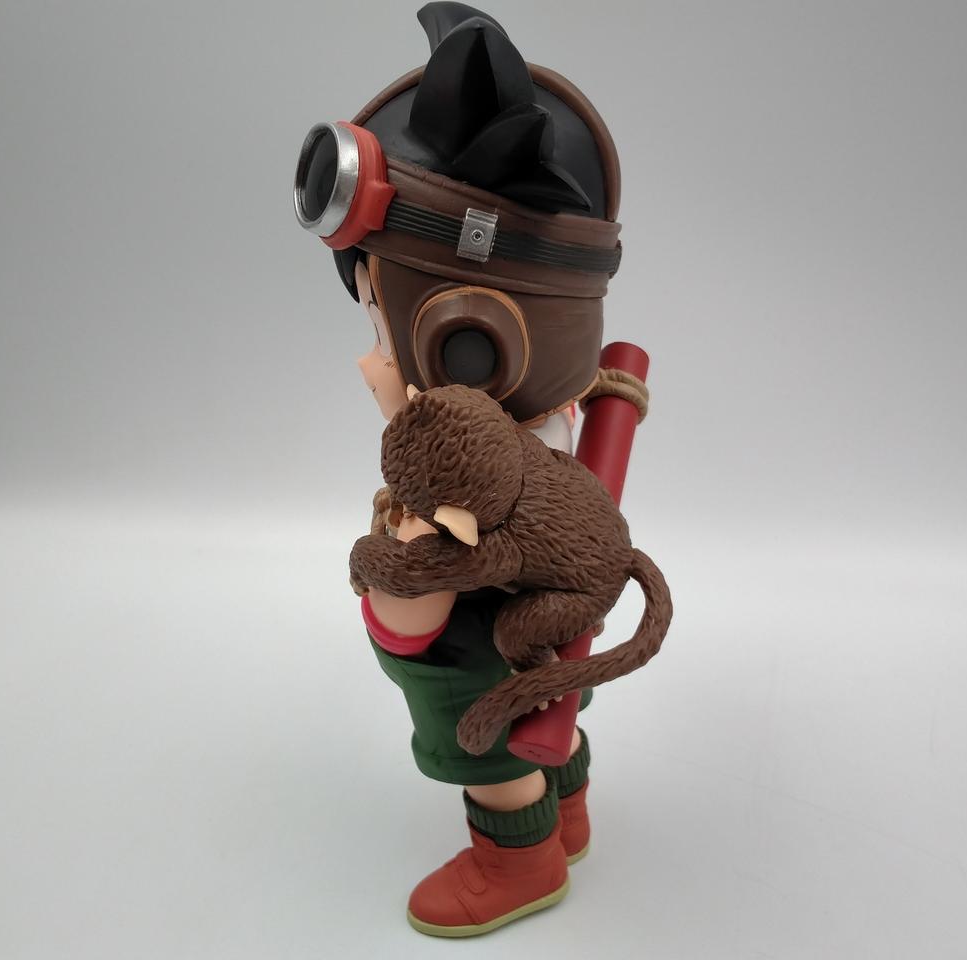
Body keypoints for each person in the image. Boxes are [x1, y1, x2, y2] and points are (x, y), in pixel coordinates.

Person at [293, 2, 626, 936]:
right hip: (554, 640)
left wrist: (390, 563)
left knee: (498, 755)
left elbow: (412, 621)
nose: (369, 360)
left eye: (381, 331)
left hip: (482, 671)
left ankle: (517, 860)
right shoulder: (550, 424)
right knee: (553, 720)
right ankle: (567, 810)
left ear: (469, 348)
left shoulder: (457, 494)